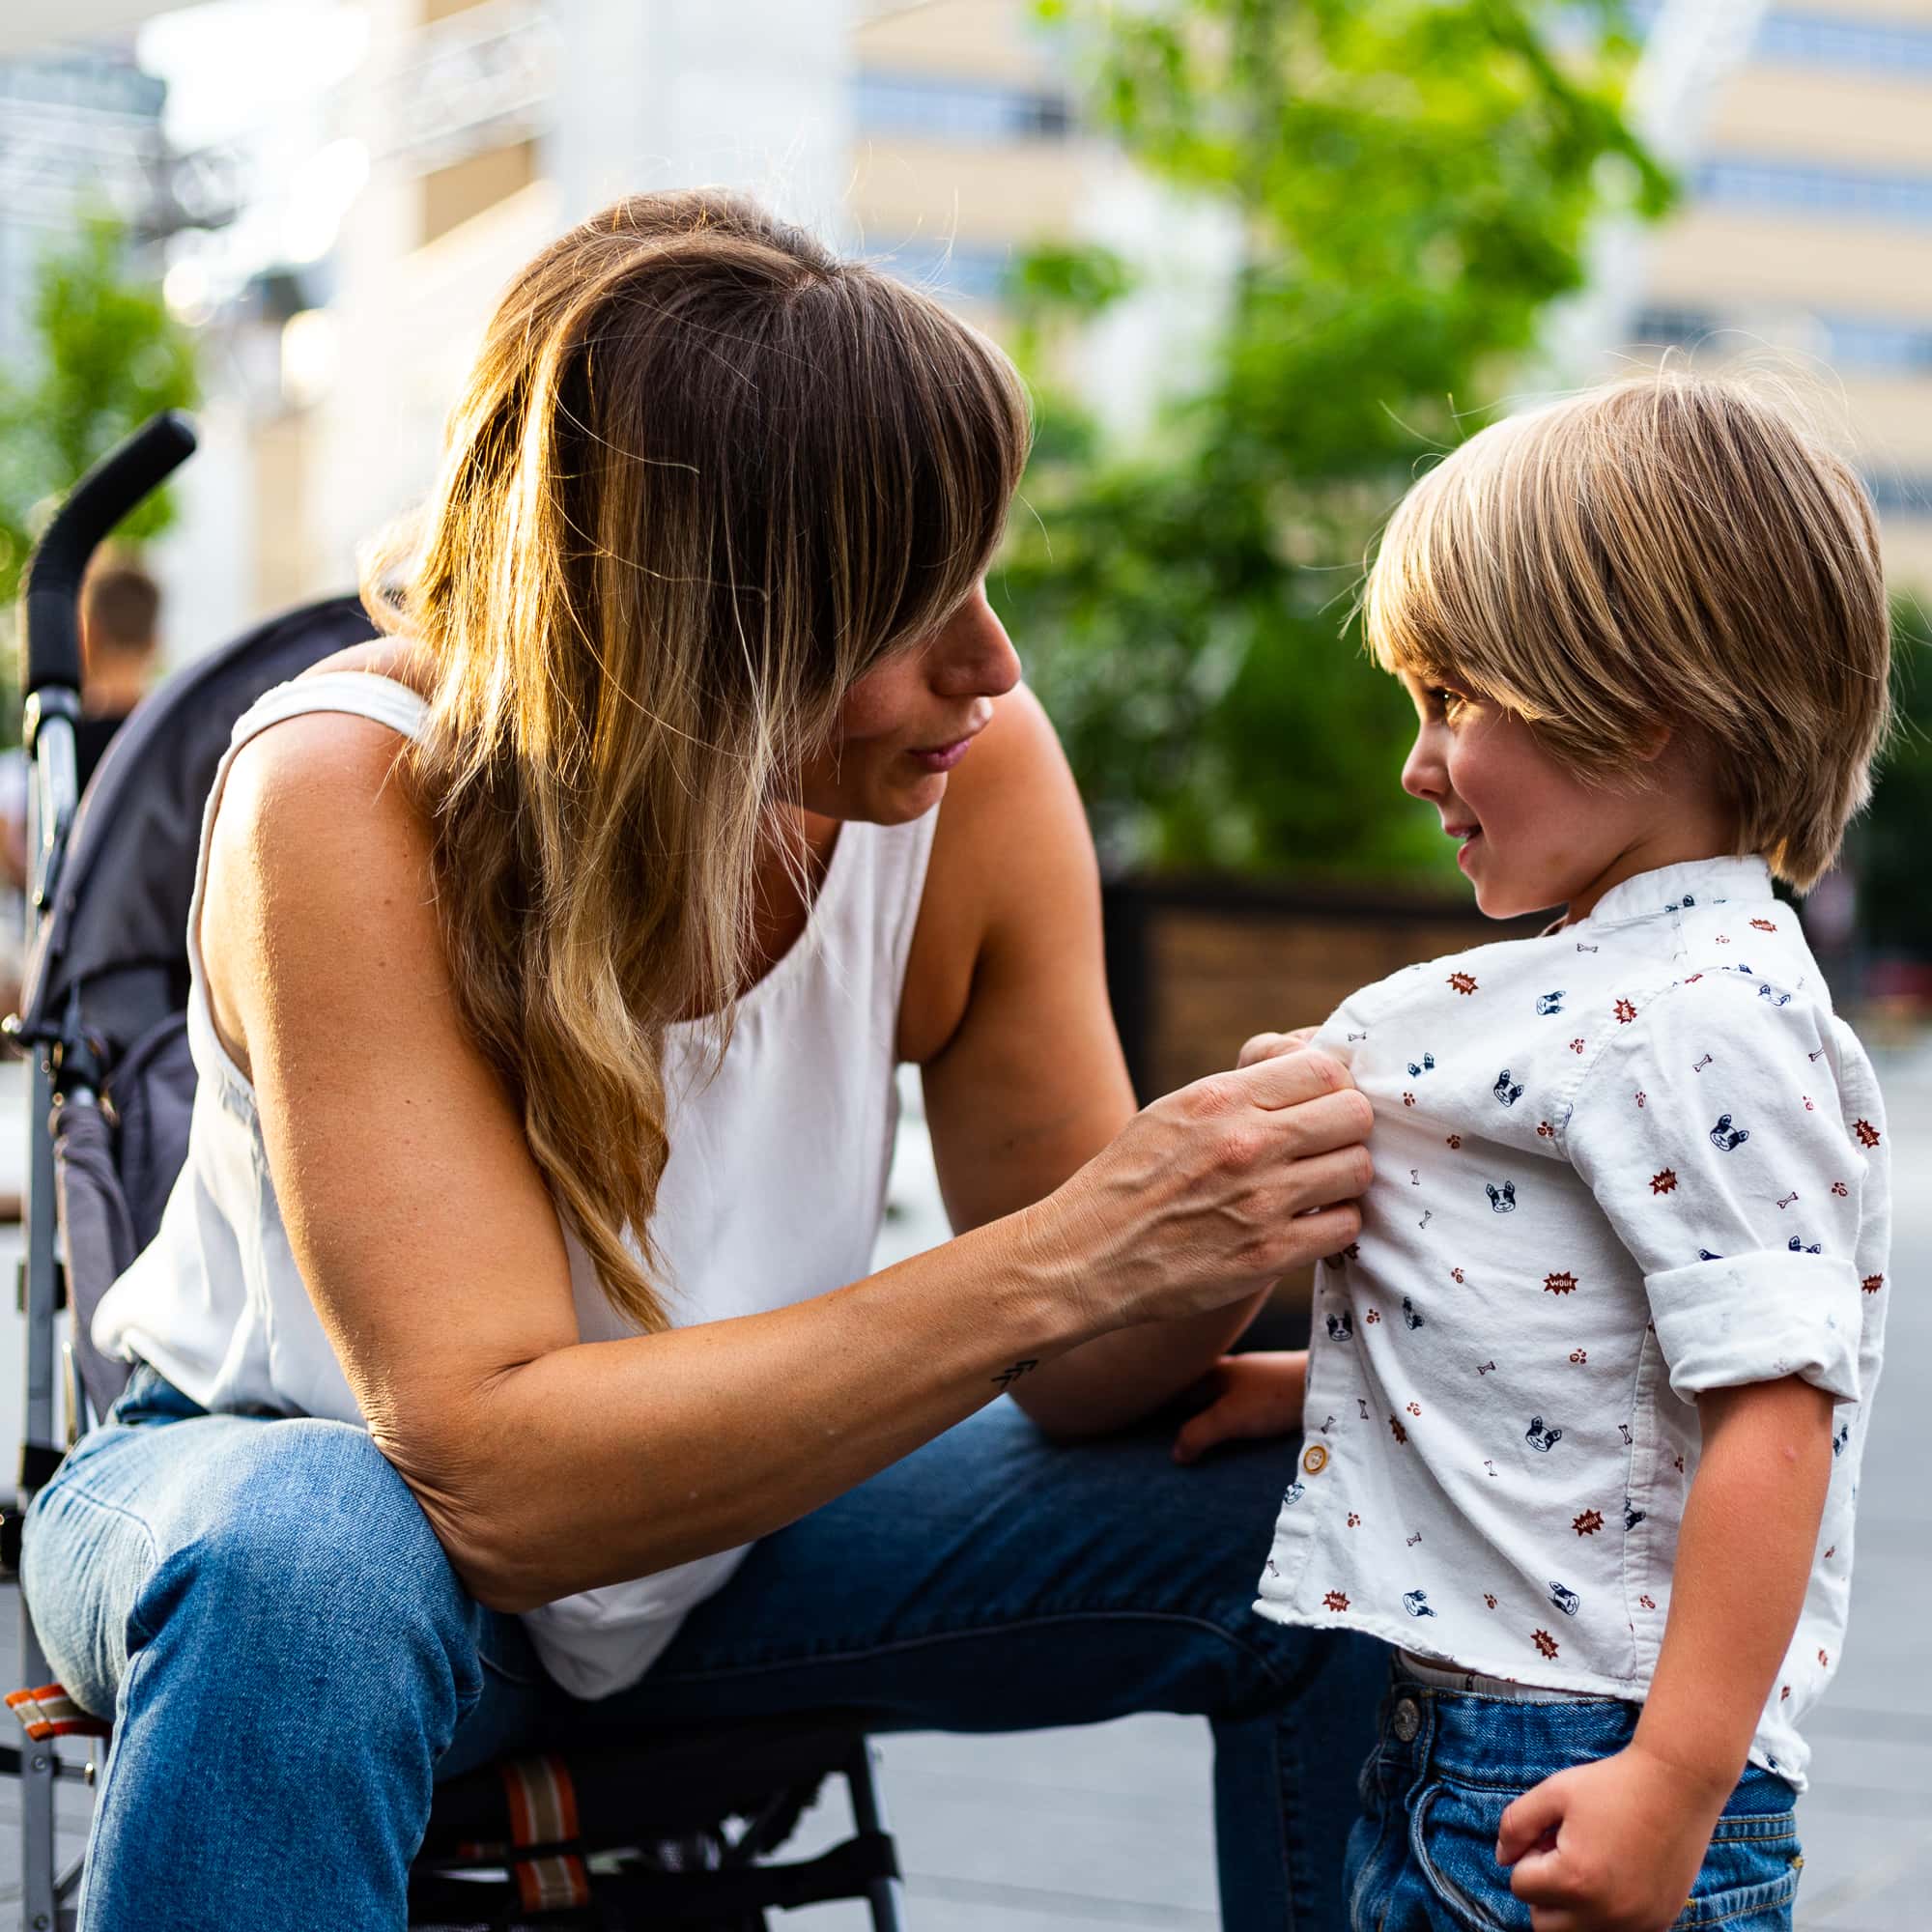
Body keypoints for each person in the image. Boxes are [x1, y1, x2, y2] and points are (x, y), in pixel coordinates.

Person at [21, 191, 1385, 1931]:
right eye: (908, 606)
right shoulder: (347, 797)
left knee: (1349, 1499)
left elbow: (1080, 1377)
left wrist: (1229, 1220)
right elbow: (492, 1483)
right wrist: (1065, 1256)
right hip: (306, 1519)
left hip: (739, 1542)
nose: (994, 661)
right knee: (306, 1557)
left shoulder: (972, 782)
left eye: (980, 571)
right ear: (689, 622)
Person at [1171, 370, 1893, 1930]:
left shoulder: (1695, 1013)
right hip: (1470, 1745)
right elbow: (1584, 1349)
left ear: (1634, 703)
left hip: (1583, 1757)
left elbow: (1777, 1416)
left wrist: (1680, 1782)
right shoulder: (1618, 989)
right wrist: (1315, 1387)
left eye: (1451, 702)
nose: (1417, 767)